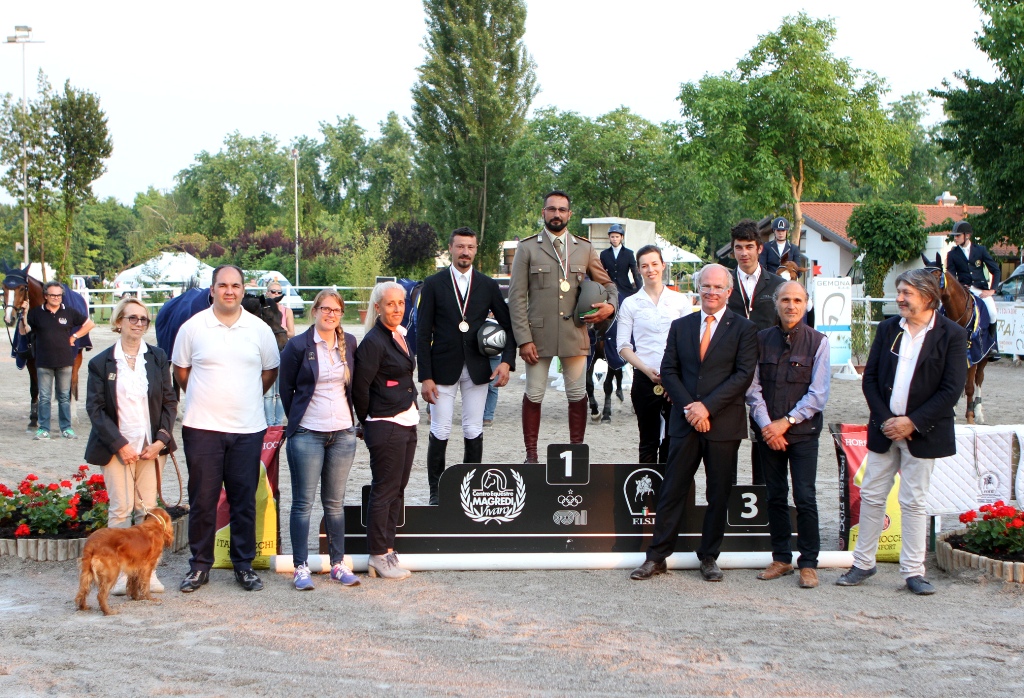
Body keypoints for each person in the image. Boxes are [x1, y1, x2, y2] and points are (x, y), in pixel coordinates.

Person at [837, 269, 967, 595]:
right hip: (885, 429)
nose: (899, 299)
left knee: (913, 502)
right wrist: (887, 421)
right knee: (871, 496)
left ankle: (913, 572)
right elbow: (870, 379)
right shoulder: (887, 329)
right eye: (899, 292)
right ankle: (862, 563)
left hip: (923, 432)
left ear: (928, 296)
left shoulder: (952, 334)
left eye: (906, 293)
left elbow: (951, 389)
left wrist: (912, 422)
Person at [629, 264, 757, 583]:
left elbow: (743, 376)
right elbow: (669, 370)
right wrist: (690, 408)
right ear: (698, 289)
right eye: (706, 286)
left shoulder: (744, 329)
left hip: (722, 425)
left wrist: (706, 407)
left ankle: (709, 556)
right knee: (672, 489)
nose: (711, 292)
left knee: (718, 493)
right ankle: (657, 556)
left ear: (728, 291)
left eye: (718, 287)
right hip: (684, 422)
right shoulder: (681, 326)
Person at [172, 264, 281, 594]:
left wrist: (244, 398)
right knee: (203, 500)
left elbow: (269, 372)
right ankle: (199, 565)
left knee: (243, 500)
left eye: (235, 285)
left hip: (247, 429)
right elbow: (181, 372)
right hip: (202, 428)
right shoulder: (193, 328)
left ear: (243, 290)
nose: (229, 291)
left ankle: (243, 565)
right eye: (223, 285)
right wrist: (207, 398)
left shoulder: (259, 330)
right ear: (212, 289)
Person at [507, 190, 617, 463]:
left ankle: (575, 455)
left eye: (562, 209)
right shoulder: (527, 248)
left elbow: (608, 284)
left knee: (578, 394)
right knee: (534, 394)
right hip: (537, 337)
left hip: (574, 333)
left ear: (569, 214)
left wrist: (610, 306)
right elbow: (516, 297)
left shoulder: (584, 248)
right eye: (552, 209)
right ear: (543, 213)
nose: (557, 214)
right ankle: (531, 456)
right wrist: (523, 339)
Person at [84, 297, 177, 595]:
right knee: (121, 509)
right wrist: (119, 445)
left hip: (151, 447)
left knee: (147, 511)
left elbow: (169, 401)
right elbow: (95, 408)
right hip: (116, 447)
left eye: (143, 319)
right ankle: (120, 574)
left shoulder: (158, 357)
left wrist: (161, 440)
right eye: (132, 318)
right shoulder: (101, 362)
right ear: (118, 322)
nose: (138, 323)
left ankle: (146, 574)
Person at [417, 227, 516, 505]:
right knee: (440, 429)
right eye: (460, 247)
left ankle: (470, 489)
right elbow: (422, 334)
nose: (465, 252)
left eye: (470, 247)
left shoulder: (487, 285)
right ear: (450, 248)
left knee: (473, 428)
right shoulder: (433, 284)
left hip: (477, 367)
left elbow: (509, 326)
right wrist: (425, 376)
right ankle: (436, 493)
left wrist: (507, 362)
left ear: (475, 250)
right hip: (442, 368)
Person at [745, 281, 830, 589]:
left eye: (797, 300)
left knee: (805, 497)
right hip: (769, 434)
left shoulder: (819, 342)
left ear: (806, 304)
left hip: (803, 433)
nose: (791, 306)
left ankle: (808, 563)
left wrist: (786, 422)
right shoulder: (760, 340)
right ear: (776, 303)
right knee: (775, 495)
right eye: (785, 300)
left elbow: (818, 395)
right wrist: (769, 426)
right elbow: (753, 389)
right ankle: (781, 558)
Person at [279, 289, 360, 590]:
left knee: (335, 504)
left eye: (335, 310)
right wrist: (301, 421)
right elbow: (286, 389)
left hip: (342, 434)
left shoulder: (349, 342)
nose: (330, 314)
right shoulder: (297, 345)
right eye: (325, 309)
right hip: (307, 434)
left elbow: (353, 386)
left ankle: (337, 564)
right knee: (303, 503)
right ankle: (301, 567)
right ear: (314, 311)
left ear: (341, 314)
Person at [352, 282, 418, 579]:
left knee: (397, 490)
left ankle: (388, 550)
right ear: (378, 307)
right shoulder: (373, 341)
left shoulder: (399, 334)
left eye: (400, 303)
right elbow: (360, 388)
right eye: (390, 304)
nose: (397, 309)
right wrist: (368, 419)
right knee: (384, 490)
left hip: (406, 420)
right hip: (385, 423)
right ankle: (378, 553)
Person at [616, 245, 692, 463]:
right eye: (645, 266)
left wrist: (674, 376)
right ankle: (646, 483)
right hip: (644, 377)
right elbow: (623, 345)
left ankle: (669, 484)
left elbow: (688, 342)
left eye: (654, 264)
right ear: (639, 269)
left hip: (675, 379)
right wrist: (646, 370)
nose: (650, 270)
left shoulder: (680, 301)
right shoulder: (631, 303)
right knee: (647, 441)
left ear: (663, 265)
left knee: (672, 440)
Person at [728, 219, 785, 486]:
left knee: (763, 433)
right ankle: (727, 496)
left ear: (760, 248)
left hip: (767, 370)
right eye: (739, 247)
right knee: (728, 436)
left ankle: (763, 495)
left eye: (749, 246)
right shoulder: (723, 284)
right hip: (730, 369)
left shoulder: (777, 285)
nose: (744, 253)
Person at [19, 281, 95, 440]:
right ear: (46, 296)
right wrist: (23, 315)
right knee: (45, 398)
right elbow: (24, 331)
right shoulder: (36, 313)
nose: (56, 298)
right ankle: (44, 428)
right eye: (52, 295)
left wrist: (75, 336)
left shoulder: (69, 312)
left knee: (64, 397)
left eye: (59, 295)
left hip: (65, 361)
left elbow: (89, 324)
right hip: (43, 361)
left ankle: (66, 428)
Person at [945, 220, 1001, 360]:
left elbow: (995, 270)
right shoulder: (952, 254)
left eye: (958, 235)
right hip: (963, 290)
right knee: (942, 310)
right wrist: (958, 287)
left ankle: (992, 346)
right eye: (954, 236)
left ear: (967, 235)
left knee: (992, 313)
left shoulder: (980, 250)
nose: (955, 238)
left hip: (980, 290)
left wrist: (992, 290)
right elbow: (951, 276)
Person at [598, 223, 639, 404]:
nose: (614, 239)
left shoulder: (629, 254)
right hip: (608, 290)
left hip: (624, 289)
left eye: (617, 236)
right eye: (612, 236)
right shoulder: (604, 254)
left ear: (621, 238)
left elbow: (635, 274)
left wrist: (640, 291)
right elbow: (600, 273)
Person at [262, 280, 295, 425]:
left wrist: (282, 330)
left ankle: (277, 423)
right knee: (268, 393)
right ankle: (270, 424)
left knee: (280, 392)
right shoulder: (263, 310)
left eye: (278, 292)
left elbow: (292, 333)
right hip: (267, 351)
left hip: (282, 349)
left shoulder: (287, 311)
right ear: (267, 293)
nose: (276, 294)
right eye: (273, 291)